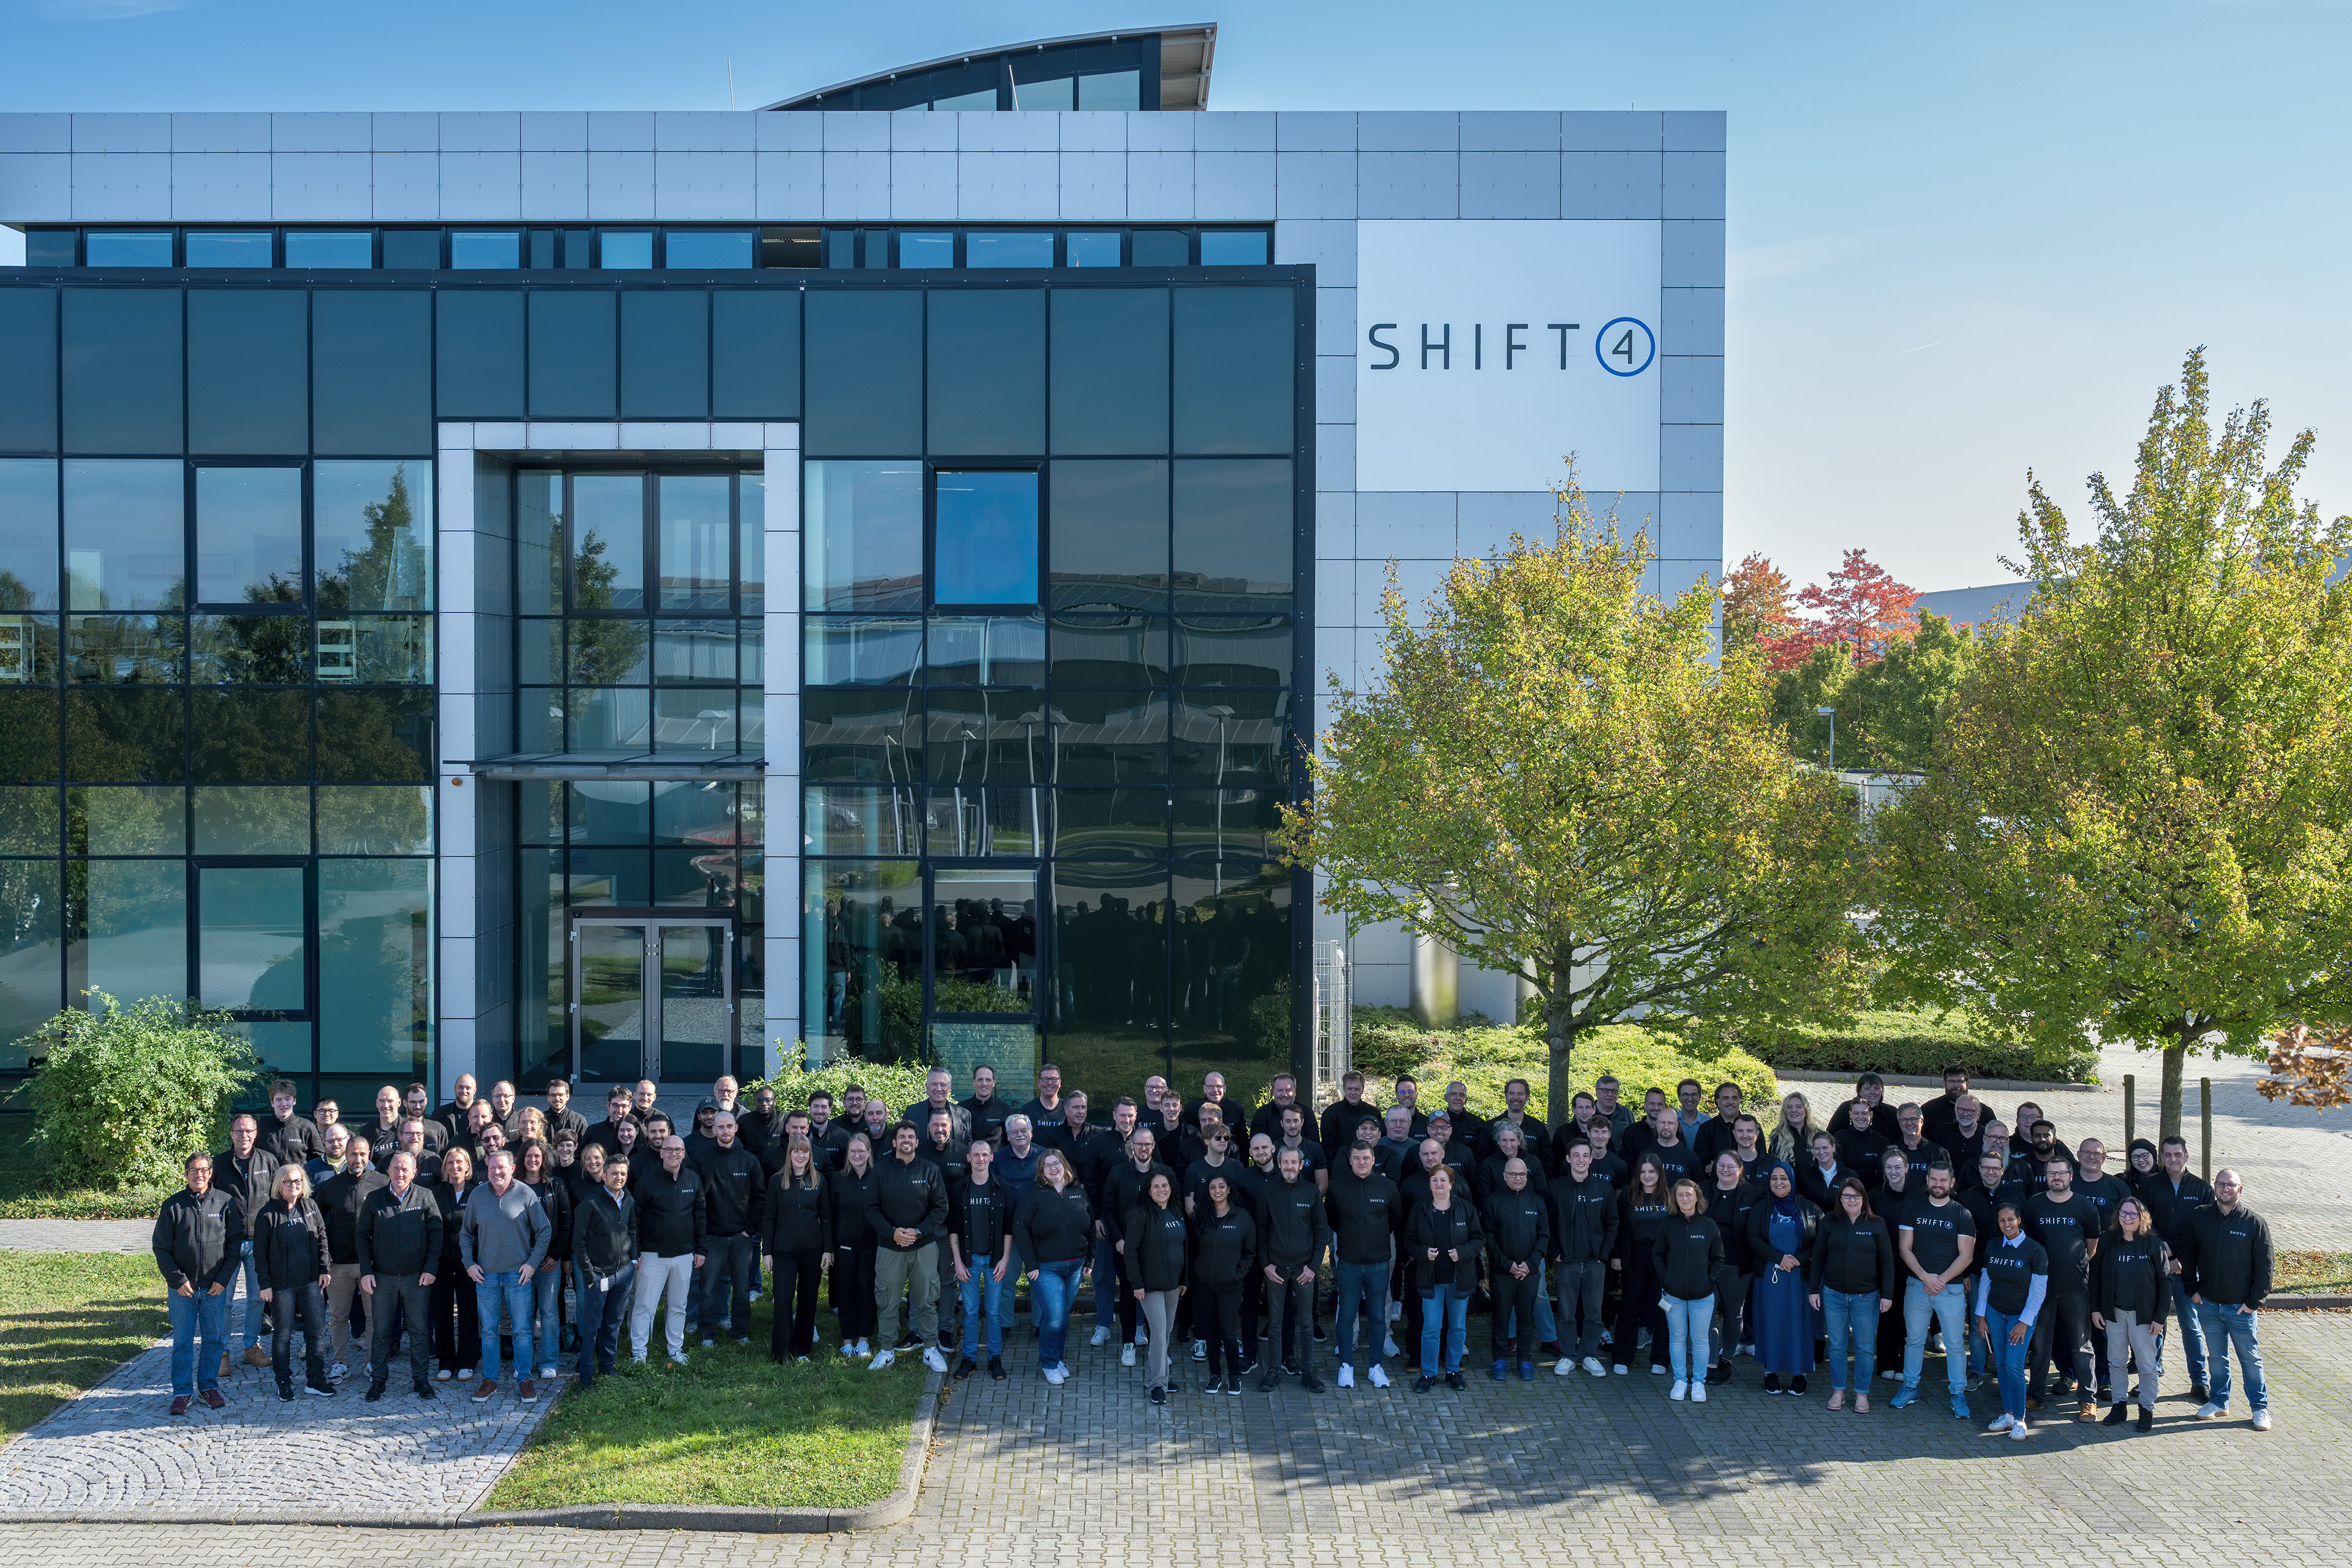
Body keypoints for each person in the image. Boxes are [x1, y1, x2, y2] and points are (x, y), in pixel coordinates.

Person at [2180, 1167, 2273, 1430]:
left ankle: (2260, 1408)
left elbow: (2265, 1267)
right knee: (2217, 1358)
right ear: (2214, 1187)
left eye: (2231, 1185)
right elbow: (2188, 1255)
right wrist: (2192, 1289)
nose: (2225, 1189)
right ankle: (2219, 1402)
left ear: (2239, 1189)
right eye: (2221, 1184)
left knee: (2250, 1359)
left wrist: (2253, 1303)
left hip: (2241, 1309)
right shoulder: (2199, 1217)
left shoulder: (2254, 1223)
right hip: (2208, 1305)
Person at [154, 1152, 242, 1415]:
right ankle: (182, 1393)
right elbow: (161, 1248)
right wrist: (177, 1280)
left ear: (211, 1173)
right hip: (183, 1290)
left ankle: (208, 1387)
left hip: (215, 1287)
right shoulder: (173, 1206)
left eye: (204, 1170)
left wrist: (223, 1279)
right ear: (186, 1174)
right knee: (183, 1342)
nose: (199, 1175)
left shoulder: (225, 1202)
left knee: (213, 1340)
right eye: (193, 1170)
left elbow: (234, 1245)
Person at [460, 1147, 550, 1404]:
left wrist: (532, 1263)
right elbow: (466, 1234)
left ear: (512, 1169)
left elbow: (544, 1231)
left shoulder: (525, 1193)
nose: (496, 1172)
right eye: (492, 1168)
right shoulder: (477, 1195)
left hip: (517, 1274)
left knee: (522, 1330)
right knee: (489, 1331)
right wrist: (469, 1264)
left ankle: (524, 1379)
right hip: (486, 1275)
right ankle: (490, 1379)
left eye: (501, 1167)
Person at [1890, 1158, 1978, 1419]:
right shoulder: (1913, 1208)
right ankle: (1910, 1388)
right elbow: (1904, 1248)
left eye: (1943, 1180)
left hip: (1950, 1291)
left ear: (1952, 1183)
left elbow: (1967, 1256)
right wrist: (1925, 1278)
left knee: (1955, 1344)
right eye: (1934, 1180)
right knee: (1914, 1341)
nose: (1938, 1185)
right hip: (1917, 1286)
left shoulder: (1962, 1214)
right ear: (1927, 1180)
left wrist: (1939, 1281)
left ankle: (1958, 1393)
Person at [356, 1149, 442, 1402]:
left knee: (419, 1331)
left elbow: (436, 1234)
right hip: (382, 1277)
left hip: (416, 1277)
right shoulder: (375, 1199)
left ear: (414, 1173)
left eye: (405, 1169)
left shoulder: (425, 1196)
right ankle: (378, 1380)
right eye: (396, 1168)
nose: (400, 1173)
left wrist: (430, 1268)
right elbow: (362, 1236)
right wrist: (366, 1271)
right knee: (381, 1331)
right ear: (388, 1171)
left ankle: (421, 1379)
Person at [2136, 1135, 2215, 1401]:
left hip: (2186, 1268)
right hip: (2153, 1266)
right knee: (2153, 1324)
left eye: (2177, 1155)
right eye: (2168, 1155)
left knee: (2190, 1326)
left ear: (2187, 1156)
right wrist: (2166, 1254)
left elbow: (2202, 1229)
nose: (2173, 1159)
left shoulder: (2202, 1189)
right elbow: (2143, 1223)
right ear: (2162, 1157)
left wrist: (2176, 1253)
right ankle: (2151, 1375)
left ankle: (2199, 1381)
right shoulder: (2149, 1185)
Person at [867, 1123, 951, 1373]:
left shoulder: (930, 1170)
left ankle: (930, 1349)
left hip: (923, 1246)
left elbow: (941, 1207)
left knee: (927, 1300)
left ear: (917, 1142)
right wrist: (893, 1232)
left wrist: (919, 1231)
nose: (906, 1140)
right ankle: (887, 1351)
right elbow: (871, 1208)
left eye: (911, 1137)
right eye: (902, 1136)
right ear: (894, 1143)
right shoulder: (880, 1171)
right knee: (888, 1301)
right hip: (890, 1248)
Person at [1807, 1176, 1893, 1411]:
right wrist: (1814, 1290)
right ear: (1840, 1199)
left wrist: (1888, 1294)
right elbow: (1819, 1257)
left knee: (1864, 1348)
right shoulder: (1829, 1222)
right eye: (1847, 1196)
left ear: (1864, 1198)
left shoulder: (1877, 1225)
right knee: (1836, 1346)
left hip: (1867, 1298)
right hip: (1833, 1295)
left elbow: (1887, 1261)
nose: (1852, 1200)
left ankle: (1862, 1394)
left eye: (1856, 1196)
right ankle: (1839, 1392)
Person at [2025, 1155, 2100, 1419]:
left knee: (2082, 1347)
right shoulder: (2034, 1205)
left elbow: (2092, 1246)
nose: (2056, 1177)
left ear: (2071, 1176)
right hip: (2041, 1289)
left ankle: (2088, 1400)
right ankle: (2035, 1396)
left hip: (2076, 1288)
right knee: (2040, 1347)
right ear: (2046, 1177)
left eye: (2061, 1173)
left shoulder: (2085, 1206)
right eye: (2052, 1173)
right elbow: (2028, 1244)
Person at [251, 1163, 334, 1401]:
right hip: (282, 1286)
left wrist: (324, 1269)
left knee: (317, 1332)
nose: (294, 1186)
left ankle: (315, 1380)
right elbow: (260, 1253)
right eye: (288, 1182)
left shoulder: (310, 1207)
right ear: (279, 1185)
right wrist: (265, 1284)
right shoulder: (267, 1214)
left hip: (311, 1282)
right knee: (283, 1335)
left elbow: (322, 1238)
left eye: (298, 1181)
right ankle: (283, 1382)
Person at [1014, 1148, 1092, 1385]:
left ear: (1064, 1164)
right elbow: (1020, 1228)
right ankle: (1048, 1363)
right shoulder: (1033, 1193)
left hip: (1075, 1266)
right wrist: (1031, 1264)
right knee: (1054, 1316)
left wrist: (1090, 1259)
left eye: (1056, 1163)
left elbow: (1090, 1226)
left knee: (1064, 1315)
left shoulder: (1078, 1191)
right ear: (1042, 1171)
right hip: (1046, 1268)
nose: (1053, 1169)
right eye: (1047, 1166)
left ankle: (1058, 1359)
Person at [1325, 1142, 1401, 1390]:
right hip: (1348, 1263)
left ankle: (1375, 1367)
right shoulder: (1337, 1187)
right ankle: (1346, 1366)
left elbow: (1395, 1219)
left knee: (1378, 1316)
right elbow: (1333, 1219)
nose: (1361, 1162)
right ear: (1350, 1160)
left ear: (1373, 1160)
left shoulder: (1388, 1187)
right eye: (1356, 1158)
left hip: (1378, 1263)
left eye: (1366, 1158)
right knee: (1347, 1315)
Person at [2091, 1195, 2169, 1431]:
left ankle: (2146, 1408)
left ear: (2142, 1217)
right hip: (2114, 1314)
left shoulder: (2153, 1244)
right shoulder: (2107, 1240)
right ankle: (2119, 1405)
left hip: (2143, 1317)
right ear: (2118, 1216)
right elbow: (2095, 1276)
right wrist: (2095, 1308)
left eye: (2133, 1214)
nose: (2128, 1218)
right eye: (2123, 1213)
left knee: (2147, 1366)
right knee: (2116, 1362)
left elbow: (2165, 1282)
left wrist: (2160, 1318)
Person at [630, 1135, 707, 1368]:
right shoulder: (646, 1182)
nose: (674, 1154)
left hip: (684, 1255)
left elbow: (700, 1215)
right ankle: (638, 1352)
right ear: (661, 1153)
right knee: (645, 1306)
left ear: (684, 1153)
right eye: (669, 1150)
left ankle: (675, 1349)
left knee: (678, 1306)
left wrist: (701, 1249)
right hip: (652, 1255)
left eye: (678, 1150)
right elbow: (635, 1220)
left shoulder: (693, 1179)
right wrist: (635, 1252)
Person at [315, 1134, 386, 1382]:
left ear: (369, 1155)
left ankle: (372, 1361)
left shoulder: (381, 1183)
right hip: (339, 1264)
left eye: (363, 1154)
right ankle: (340, 1363)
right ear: (346, 1155)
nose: (358, 1159)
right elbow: (317, 1223)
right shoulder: (331, 1187)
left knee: (373, 1316)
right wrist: (324, 1257)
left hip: (372, 1265)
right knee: (338, 1316)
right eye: (353, 1154)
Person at [212, 1113, 280, 1373]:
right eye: (239, 1131)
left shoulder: (268, 1161)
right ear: (231, 1134)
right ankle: (221, 1353)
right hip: (227, 1242)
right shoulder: (219, 1163)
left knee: (256, 1298)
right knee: (223, 1300)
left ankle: (251, 1347)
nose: (244, 1136)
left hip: (259, 1242)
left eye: (249, 1131)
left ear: (255, 1133)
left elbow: (276, 1199)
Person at [1258, 1145, 1329, 1391]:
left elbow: (1321, 1231)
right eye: (1285, 1162)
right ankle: (1273, 1370)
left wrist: (1314, 1266)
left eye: (1294, 1163)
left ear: (1301, 1165)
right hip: (1276, 1269)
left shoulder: (1311, 1192)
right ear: (1279, 1164)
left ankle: (1308, 1372)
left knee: (1307, 1323)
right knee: (1275, 1322)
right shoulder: (1268, 1191)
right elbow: (1261, 1231)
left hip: (1304, 1269)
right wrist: (1265, 1264)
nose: (1289, 1167)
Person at [694, 1110, 766, 1349]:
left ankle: (740, 1333)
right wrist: (703, 1233)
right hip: (712, 1237)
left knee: (742, 1289)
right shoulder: (701, 1158)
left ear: (736, 1128)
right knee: (708, 1289)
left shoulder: (749, 1160)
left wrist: (749, 1230)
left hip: (741, 1237)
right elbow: (696, 1198)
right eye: (720, 1127)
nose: (725, 1131)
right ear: (714, 1129)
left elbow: (759, 1197)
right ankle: (707, 1335)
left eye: (729, 1126)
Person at [1746, 1163, 1820, 1395]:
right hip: (1771, 1276)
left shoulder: (1809, 1208)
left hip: (1800, 1276)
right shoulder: (1761, 1208)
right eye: (1774, 1178)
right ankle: (1771, 1371)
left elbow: (1820, 1242)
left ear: (1792, 1180)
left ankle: (1800, 1373)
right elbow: (1752, 1237)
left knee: (1800, 1323)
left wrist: (1800, 1260)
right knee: (1772, 1322)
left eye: (1784, 1178)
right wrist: (1778, 1257)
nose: (1779, 1183)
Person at [1977, 1202, 2049, 1440]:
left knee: (2014, 1367)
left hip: (2021, 1317)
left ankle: (2020, 1420)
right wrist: (1981, 1317)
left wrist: (2024, 1322)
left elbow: (2038, 1293)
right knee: (2000, 1364)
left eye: (2011, 1219)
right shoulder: (1993, 1245)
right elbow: (1985, 1281)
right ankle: (2008, 1414)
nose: (2006, 1224)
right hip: (1995, 1313)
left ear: (2019, 1220)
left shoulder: (2035, 1250)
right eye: (2002, 1220)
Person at [1408, 1163, 1482, 1392]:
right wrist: (1423, 1252)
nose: (1439, 1184)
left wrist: (1463, 1252)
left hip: (1459, 1278)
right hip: (1431, 1280)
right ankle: (1429, 1374)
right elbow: (1408, 1240)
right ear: (1429, 1184)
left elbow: (1478, 1239)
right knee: (1431, 1327)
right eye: (1434, 1180)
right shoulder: (1419, 1210)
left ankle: (1453, 1371)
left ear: (1451, 1184)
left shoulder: (1466, 1209)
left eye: (1443, 1180)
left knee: (1457, 1327)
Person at [1549, 1138, 1618, 1378]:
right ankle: (1568, 1356)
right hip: (1566, 1263)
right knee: (1566, 1314)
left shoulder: (1603, 1189)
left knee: (1594, 1314)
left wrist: (1603, 1254)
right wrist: (1556, 1252)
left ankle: (1589, 1355)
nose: (1581, 1160)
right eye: (1576, 1155)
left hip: (1595, 1263)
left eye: (1585, 1155)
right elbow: (1549, 1223)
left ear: (1591, 1159)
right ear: (1568, 1158)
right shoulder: (1557, 1188)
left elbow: (1612, 1223)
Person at [949, 1137, 1016, 1381]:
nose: (980, 1159)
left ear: (991, 1158)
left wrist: (1005, 1259)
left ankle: (994, 1359)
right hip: (968, 1260)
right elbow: (953, 1229)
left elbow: (1008, 1228)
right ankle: (969, 1359)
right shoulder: (959, 1189)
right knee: (970, 1312)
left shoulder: (1002, 1187)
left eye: (984, 1155)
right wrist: (957, 1261)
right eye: (975, 1155)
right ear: (969, 1158)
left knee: (994, 1312)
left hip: (994, 1260)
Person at [763, 1136, 833, 1362]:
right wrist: (767, 1252)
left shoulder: (819, 1181)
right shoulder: (777, 1182)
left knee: (808, 1301)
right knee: (783, 1301)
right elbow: (769, 1218)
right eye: (796, 1151)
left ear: (810, 1155)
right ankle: (781, 1353)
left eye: (805, 1152)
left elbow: (826, 1216)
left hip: (813, 1250)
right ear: (790, 1154)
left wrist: (828, 1249)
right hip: (784, 1252)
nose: (800, 1156)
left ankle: (802, 1350)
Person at [571, 1153, 638, 1390]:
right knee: (591, 1328)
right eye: (614, 1173)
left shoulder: (628, 1201)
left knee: (613, 1324)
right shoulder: (590, 1205)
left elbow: (632, 1229)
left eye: (623, 1174)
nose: (619, 1177)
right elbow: (578, 1242)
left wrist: (634, 1259)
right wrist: (588, 1274)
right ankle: (586, 1376)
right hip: (599, 1275)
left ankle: (608, 1366)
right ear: (604, 1175)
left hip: (623, 1273)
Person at [1124, 1169, 1189, 1403]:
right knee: (1159, 1333)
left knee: (1166, 1332)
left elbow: (1183, 1248)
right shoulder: (1140, 1215)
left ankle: (1156, 1376)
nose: (1161, 1190)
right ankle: (1158, 1385)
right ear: (1149, 1191)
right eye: (1156, 1187)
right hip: (1149, 1286)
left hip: (1173, 1284)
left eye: (1165, 1186)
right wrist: (1137, 1284)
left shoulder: (1176, 1212)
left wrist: (1184, 1280)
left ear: (1171, 1188)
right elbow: (1130, 1251)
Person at [1482, 1157, 1550, 1382]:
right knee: (1501, 1318)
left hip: (1530, 1272)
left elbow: (1544, 1236)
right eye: (1513, 1174)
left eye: (1522, 1174)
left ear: (1527, 1176)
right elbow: (1489, 1238)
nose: (1518, 1178)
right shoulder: (1494, 1202)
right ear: (1505, 1176)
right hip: (1503, 1273)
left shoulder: (1537, 1202)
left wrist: (1530, 1264)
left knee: (1525, 1318)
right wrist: (1508, 1265)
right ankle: (1499, 1360)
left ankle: (1524, 1360)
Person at [1611, 1152, 1672, 1376]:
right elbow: (1618, 1227)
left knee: (1664, 1308)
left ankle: (1661, 1358)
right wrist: (1617, 1256)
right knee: (1630, 1306)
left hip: (1662, 1259)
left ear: (1660, 1173)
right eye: (1643, 1172)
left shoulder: (1670, 1196)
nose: (1647, 1176)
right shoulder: (1628, 1195)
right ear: (1637, 1174)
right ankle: (1622, 1357)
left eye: (1652, 1172)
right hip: (1635, 1257)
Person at [1703, 1150, 1760, 1383]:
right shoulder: (1703, 1190)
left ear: (1740, 1170)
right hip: (1706, 1264)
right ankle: (1710, 1362)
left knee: (1733, 1313)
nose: (1725, 1170)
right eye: (1721, 1165)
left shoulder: (1754, 1194)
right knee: (1706, 1314)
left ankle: (1726, 1359)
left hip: (1737, 1265)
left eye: (1731, 1166)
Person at [515, 1138, 570, 1378]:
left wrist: (556, 1256)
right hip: (521, 1261)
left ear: (544, 1159)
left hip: (549, 1262)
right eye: (529, 1156)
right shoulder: (514, 1186)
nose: (533, 1160)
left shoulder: (555, 1185)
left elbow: (565, 1222)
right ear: (522, 1159)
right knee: (523, 1315)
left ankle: (549, 1362)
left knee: (549, 1314)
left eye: (537, 1156)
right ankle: (524, 1363)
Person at [426, 1146, 481, 1381]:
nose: (455, 1166)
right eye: (450, 1162)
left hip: (469, 1264)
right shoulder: (434, 1194)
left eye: (460, 1162)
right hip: (441, 1263)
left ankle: (468, 1361)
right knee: (442, 1313)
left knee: (469, 1312)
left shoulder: (477, 1193)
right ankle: (446, 1361)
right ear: (445, 1167)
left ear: (468, 1166)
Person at [828, 1134, 880, 1358]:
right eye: (853, 1151)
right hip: (844, 1248)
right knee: (846, 1293)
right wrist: (830, 1247)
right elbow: (830, 1215)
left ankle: (864, 1341)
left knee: (867, 1292)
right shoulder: (838, 1179)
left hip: (872, 1247)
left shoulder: (878, 1177)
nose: (857, 1155)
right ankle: (847, 1341)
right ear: (847, 1154)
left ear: (869, 1152)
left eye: (861, 1151)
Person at [256, 1079, 326, 1167]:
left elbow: (320, 1159)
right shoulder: (261, 1127)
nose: (283, 1104)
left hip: (299, 1176)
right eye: (279, 1100)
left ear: (294, 1101)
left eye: (287, 1099)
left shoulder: (306, 1127)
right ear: (272, 1103)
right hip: (270, 1177)